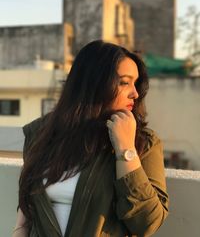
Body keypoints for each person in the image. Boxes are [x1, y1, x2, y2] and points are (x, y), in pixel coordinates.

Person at [13, 40, 169, 237]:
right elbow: (28, 200)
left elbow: (147, 223)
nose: (135, 93)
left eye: (135, 83)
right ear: (94, 83)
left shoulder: (143, 142)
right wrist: (19, 230)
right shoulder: (40, 133)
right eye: (124, 82)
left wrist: (125, 149)